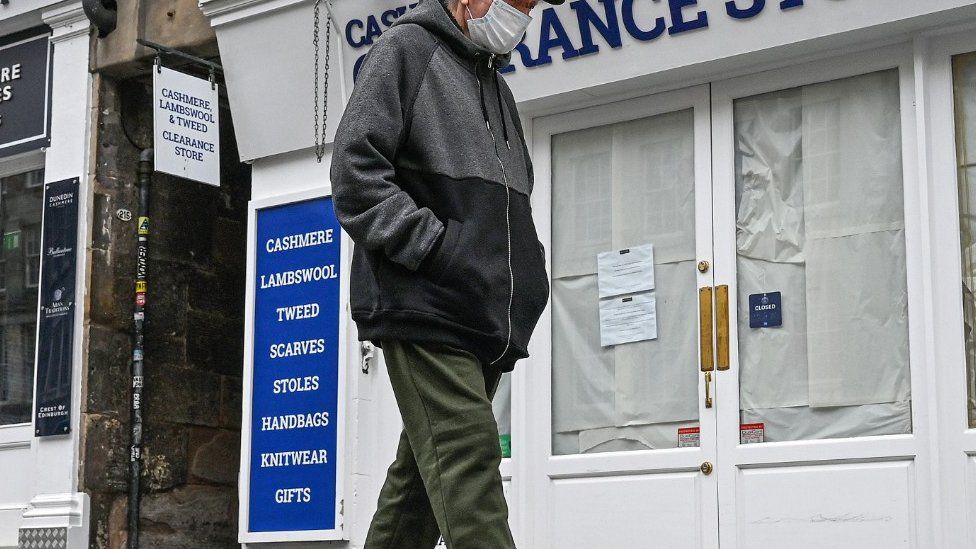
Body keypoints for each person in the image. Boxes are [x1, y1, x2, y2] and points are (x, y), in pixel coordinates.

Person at [331, 0, 560, 546]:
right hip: (426, 304)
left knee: (417, 490)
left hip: (480, 315)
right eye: (514, 1)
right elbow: (355, 175)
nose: (521, 14)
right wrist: (439, 251)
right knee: (469, 466)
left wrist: (525, 281)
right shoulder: (406, 51)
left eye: (530, 5)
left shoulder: (498, 90)